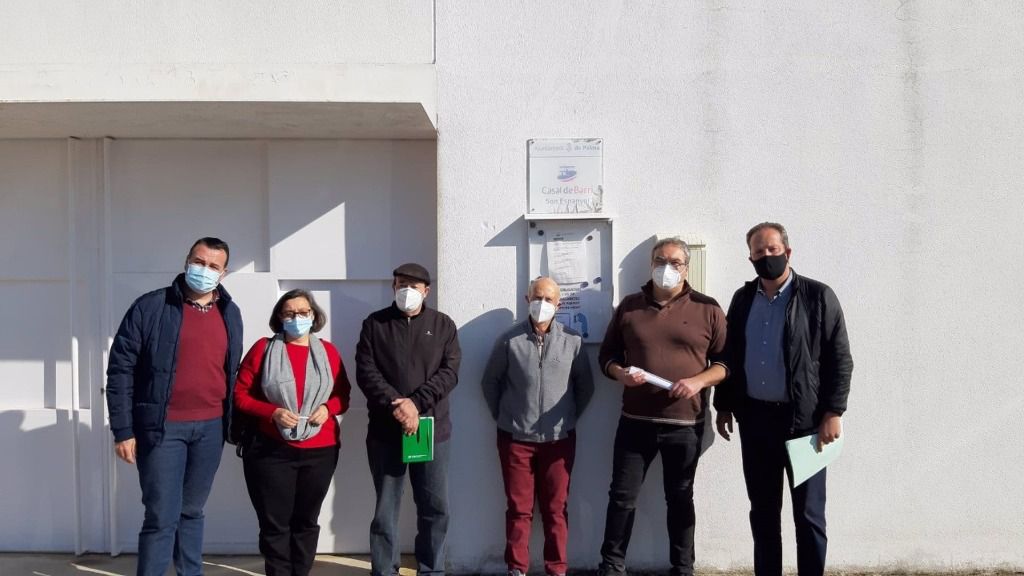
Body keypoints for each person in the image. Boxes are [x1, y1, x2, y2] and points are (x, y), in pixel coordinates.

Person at [714, 222, 853, 576]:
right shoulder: (743, 299)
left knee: (809, 516)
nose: (766, 256)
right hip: (756, 423)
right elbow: (730, 354)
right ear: (750, 258)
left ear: (787, 252)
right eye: (758, 252)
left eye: (772, 250)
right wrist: (724, 404)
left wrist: (833, 411)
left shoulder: (818, 296)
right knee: (763, 513)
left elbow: (839, 358)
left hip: (805, 425)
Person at [106, 237, 244, 576]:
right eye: (199, 262)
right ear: (187, 261)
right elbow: (121, 370)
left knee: (192, 511)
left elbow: (231, 371)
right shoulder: (151, 307)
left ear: (224, 273)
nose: (204, 270)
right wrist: (123, 430)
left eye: (213, 266)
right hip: (162, 428)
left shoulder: (230, 312)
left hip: (210, 429)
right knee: (161, 516)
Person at [596, 237, 728, 576]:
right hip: (635, 422)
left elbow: (725, 364)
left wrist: (698, 381)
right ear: (651, 264)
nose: (666, 268)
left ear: (686, 268)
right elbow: (607, 356)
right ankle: (611, 566)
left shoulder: (708, 309)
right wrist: (620, 374)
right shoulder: (629, 307)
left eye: (674, 262)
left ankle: (682, 568)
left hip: (685, 424)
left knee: (680, 498)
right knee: (622, 497)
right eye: (660, 261)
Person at [482, 277, 596, 576]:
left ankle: (556, 568)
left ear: (558, 304)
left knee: (556, 509)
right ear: (526, 299)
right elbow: (490, 382)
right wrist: (506, 417)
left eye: (548, 299)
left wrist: (568, 418)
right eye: (536, 297)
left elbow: (585, 386)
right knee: (519, 509)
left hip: (559, 441)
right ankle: (517, 568)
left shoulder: (573, 341)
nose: (542, 304)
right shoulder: (509, 340)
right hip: (515, 440)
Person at [234, 289, 352, 576]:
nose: (297, 318)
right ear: (279, 317)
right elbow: (239, 395)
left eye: (303, 312)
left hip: (320, 450)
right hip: (271, 450)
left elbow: (343, 394)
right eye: (289, 313)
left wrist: (328, 408)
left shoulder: (328, 352)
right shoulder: (263, 350)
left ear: (313, 315)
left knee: (306, 521)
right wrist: (272, 412)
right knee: (275, 523)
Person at [356, 263, 462, 576]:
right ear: (393, 287)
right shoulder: (375, 324)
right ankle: (384, 570)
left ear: (426, 291)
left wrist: (415, 404)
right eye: (401, 284)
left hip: (431, 431)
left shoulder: (443, 325)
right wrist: (398, 407)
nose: (406, 290)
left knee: (435, 507)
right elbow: (366, 372)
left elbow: (450, 372)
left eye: (413, 286)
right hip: (386, 431)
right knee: (385, 510)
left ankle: (431, 570)